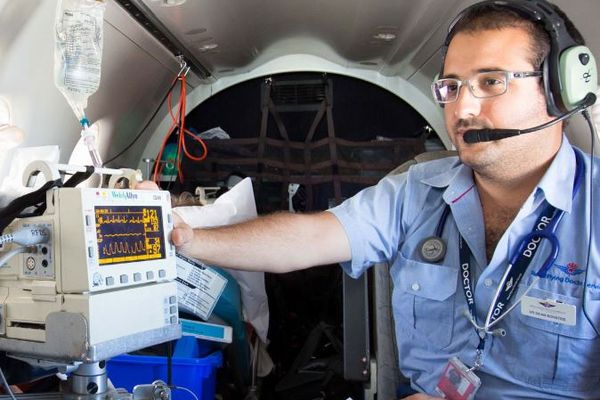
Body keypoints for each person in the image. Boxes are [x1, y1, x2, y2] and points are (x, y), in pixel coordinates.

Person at [141, 0, 600, 398]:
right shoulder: (416, 190)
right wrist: (187, 237)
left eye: (492, 82)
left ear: (561, 91)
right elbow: (308, 238)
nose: (462, 108)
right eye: (451, 87)